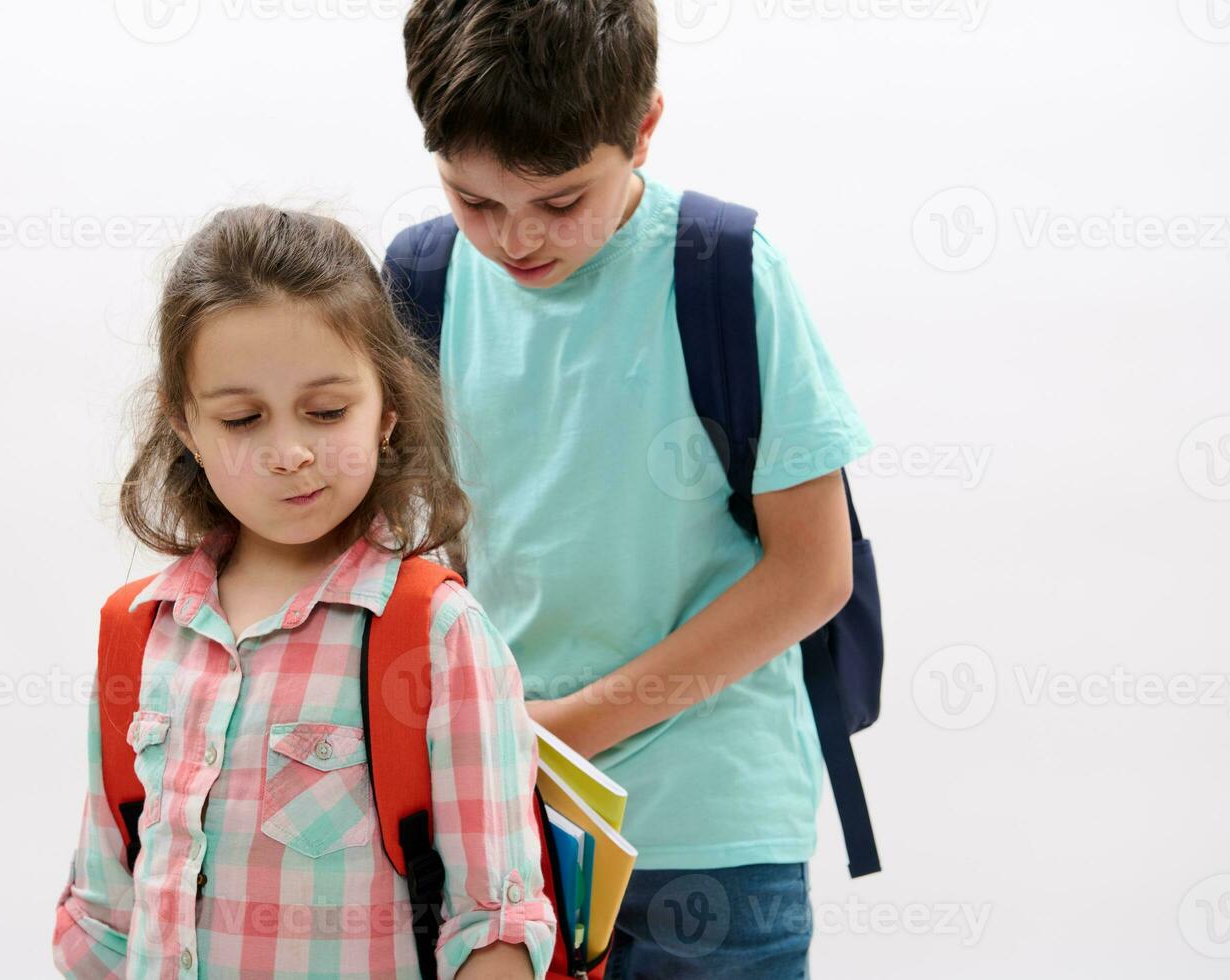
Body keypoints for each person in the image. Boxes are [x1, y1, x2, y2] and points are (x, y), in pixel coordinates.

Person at [394, 1, 876, 976]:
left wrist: (554, 733)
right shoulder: (423, 278)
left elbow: (811, 573)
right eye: (473, 199)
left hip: (709, 842)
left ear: (644, 126)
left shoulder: (724, 271)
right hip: (498, 830)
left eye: (562, 200)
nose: (515, 237)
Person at [51, 205, 556, 979]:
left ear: (386, 408)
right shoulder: (139, 632)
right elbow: (103, 916)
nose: (288, 452)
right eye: (242, 419)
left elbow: (494, 925)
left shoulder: (435, 631)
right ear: (184, 425)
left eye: (326, 412)